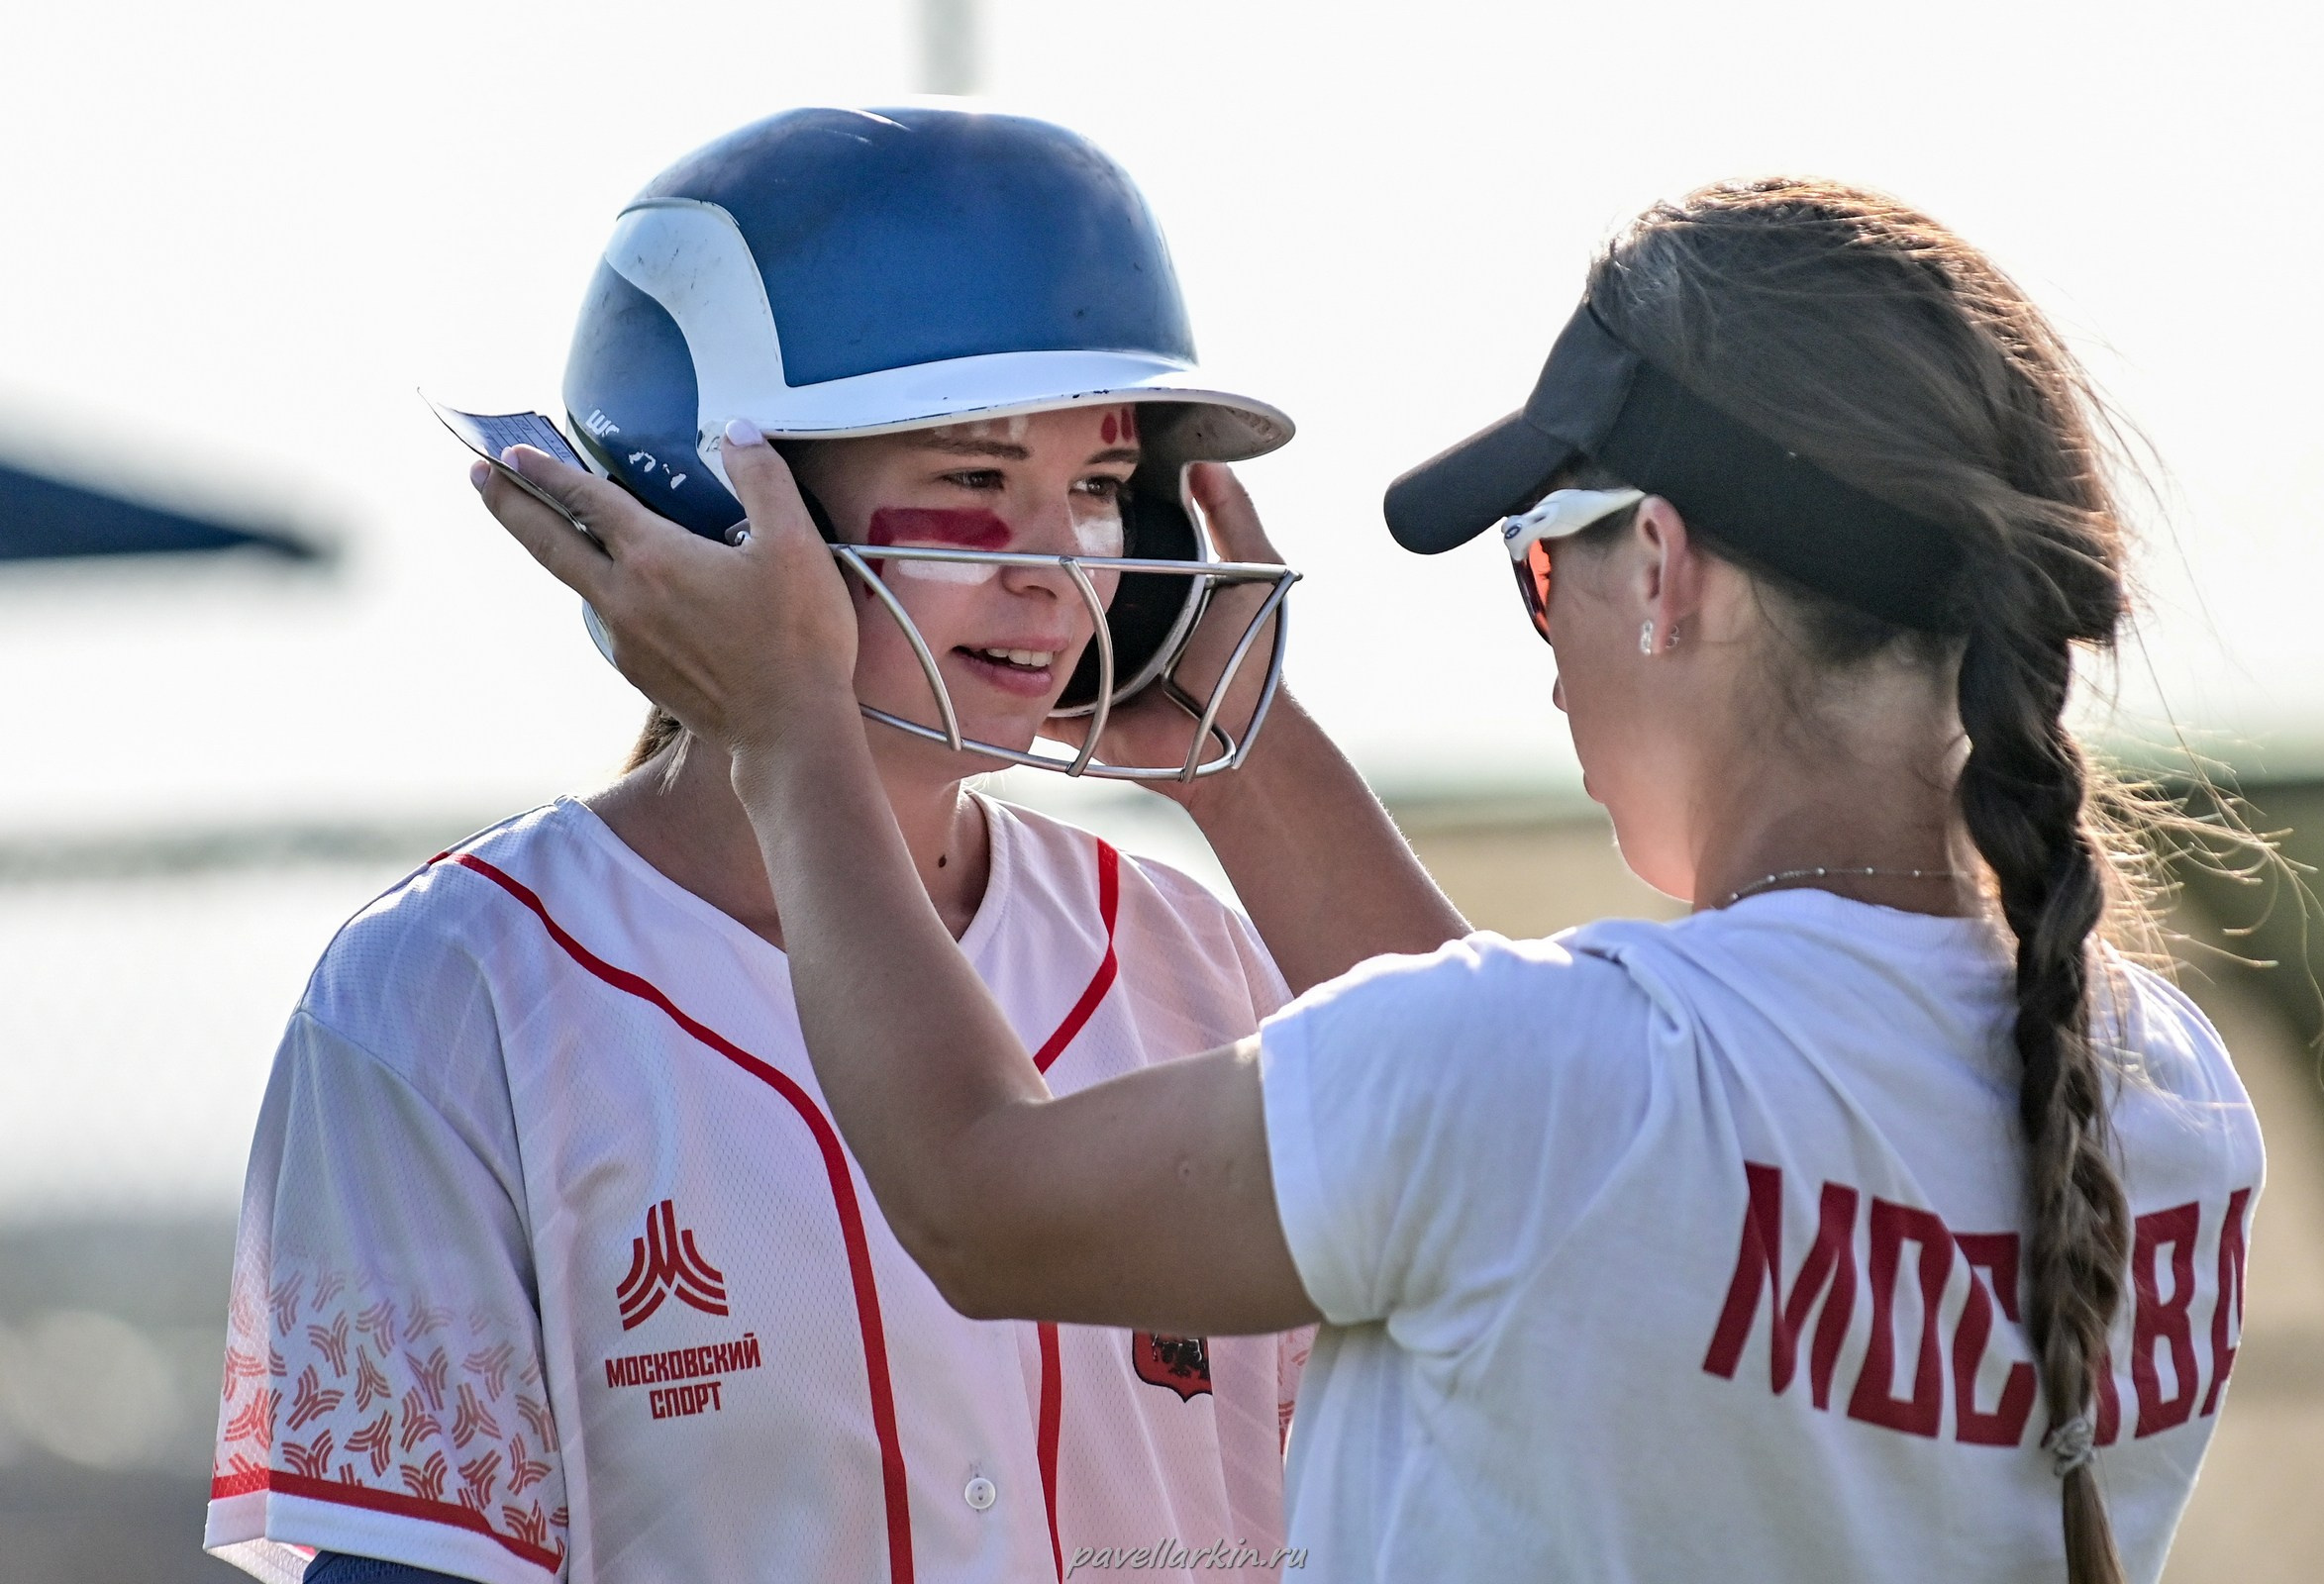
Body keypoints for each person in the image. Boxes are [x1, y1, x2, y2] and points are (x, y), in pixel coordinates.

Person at [486, 176, 2268, 1584]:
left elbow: (978, 1197)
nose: (1553, 644)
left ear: (1661, 569)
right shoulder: (2165, 1102)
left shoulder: (1552, 1092)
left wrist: (789, 729)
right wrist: (1247, 757)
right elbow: (1539, 1171)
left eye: (1538, 569)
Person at [205, 107, 1462, 1584]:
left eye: (1104, 491)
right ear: (714, 506)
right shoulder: (446, 988)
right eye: (980, 482)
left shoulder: (1196, 959)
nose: (1063, 570)